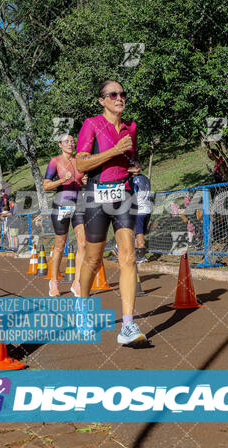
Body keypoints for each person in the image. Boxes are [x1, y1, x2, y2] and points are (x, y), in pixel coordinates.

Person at [76, 79, 147, 346]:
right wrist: (113, 150)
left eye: (122, 94)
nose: (119, 98)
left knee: (128, 258)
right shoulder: (91, 124)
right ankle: (82, 308)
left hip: (124, 193)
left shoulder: (131, 127)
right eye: (113, 94)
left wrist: (134, 165)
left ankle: (127, 326)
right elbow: (82, 163)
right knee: (93, 260)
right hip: (96, 195)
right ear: (102, 100)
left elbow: (131, 157)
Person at [43, 134, 87, 297]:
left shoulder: (78, 161)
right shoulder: (55, 162)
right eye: (67, 141)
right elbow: (46, 186)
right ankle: (53, 281)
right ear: (60, 145)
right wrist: (62, 180)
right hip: (61, 206)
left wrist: (83, 182)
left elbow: (82, 180)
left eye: (72, 141)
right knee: (60, 246)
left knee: (82, 244)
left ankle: (77, 282)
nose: (71, 143)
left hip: (78, 205)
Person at [133, 173, 152, 263]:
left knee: (139, 234)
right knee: (137, 234)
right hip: (147, 209)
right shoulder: (145, 178)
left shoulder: (135, 180)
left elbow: (133, 193)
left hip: (139, 211)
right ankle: (137, 255)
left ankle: (141, 256)